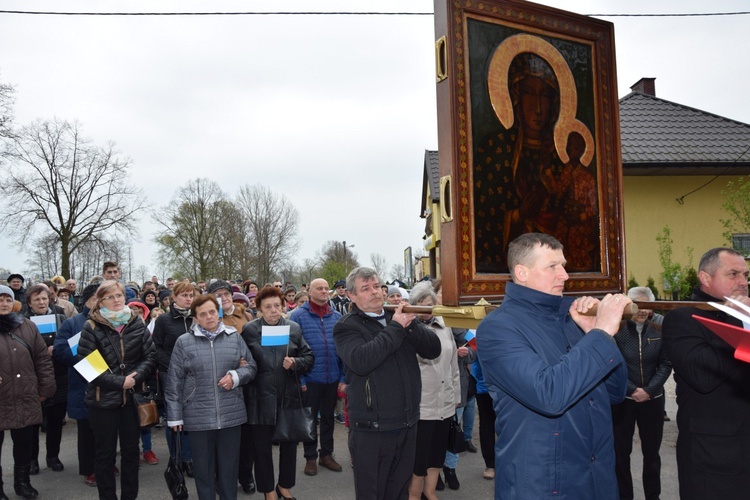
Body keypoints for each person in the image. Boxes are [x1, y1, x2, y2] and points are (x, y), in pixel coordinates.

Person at [476, 233, 628, 499]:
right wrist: (600, 334)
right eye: (552, 266)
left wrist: (596, 334)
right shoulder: (497, 328)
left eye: (564, 265)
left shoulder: (572, 318)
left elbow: (615, 391)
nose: (565, 275)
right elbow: (549, 395)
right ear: (522, 273)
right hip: (543, 483)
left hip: (596, 478)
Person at [333, 267, 441, 500]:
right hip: (371, 430)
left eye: (377, 286)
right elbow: (361, 360)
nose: (375, 292)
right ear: (351, 296)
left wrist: (410, 325)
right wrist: (396, 327)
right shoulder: (346, 326)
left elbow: (433, 349)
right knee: (372, 494)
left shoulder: (398, 316)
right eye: (365, 288)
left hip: (407, 424)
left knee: (399, 492)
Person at [662, 247, 750, 500]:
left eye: (745, 275)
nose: (743, 282)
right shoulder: (683, 319)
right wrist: (738, 321)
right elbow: (703, 377)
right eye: (733, 274)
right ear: (705, 278)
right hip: (716, 459)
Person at [166, 294, 257, 500]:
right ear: (195, 318)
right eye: (203, 314)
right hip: (198, 416)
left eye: (212, 312)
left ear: (219, 313)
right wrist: (175, 416)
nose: (209, 317)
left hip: (231, 415)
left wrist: (236, 376)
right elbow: (174, 381)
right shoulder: (184, 342)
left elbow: (251, 367)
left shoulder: (234, 337)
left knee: (229, 470)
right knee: (203, 472)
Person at [76, 280, 157, 500]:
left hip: (132, 400)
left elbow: (150, 356)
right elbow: (87, 365)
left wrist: (135, 377)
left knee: (131, 454)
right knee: (105, 456)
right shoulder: (91, 326)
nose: (115, 300)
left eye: (119, 296)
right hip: (102, 402)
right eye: (109, 297)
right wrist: (118, 382)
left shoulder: (136, 323)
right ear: (100, 301)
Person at [242, 286, 314, 500]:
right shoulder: (249, 330)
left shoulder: (293, 328)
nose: (273, 310)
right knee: (262, 449)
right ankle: (269, 491)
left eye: (277, 306)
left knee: (289, 445)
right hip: (259, 397)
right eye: (268, 307)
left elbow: (309, 357)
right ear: (259, 309)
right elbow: (241, 358)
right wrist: (241, 363)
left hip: (288, 395)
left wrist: (296, 362)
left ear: (283, 307)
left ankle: (284, 486)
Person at [612, 286, 672, 500]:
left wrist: (648, 391)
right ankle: (624, 496)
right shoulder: (616, 331)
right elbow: (613, 365)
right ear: (628, 306)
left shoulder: (658, 330)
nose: (641, 310)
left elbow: (666, 364)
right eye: (636, 305)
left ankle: (652, 496)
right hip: (623, 401)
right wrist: (631, 389)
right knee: (621, 454)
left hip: (653, 401)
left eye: (646, 306)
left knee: (652, 454)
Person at [0, 285, 56, 499]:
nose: (3, 303)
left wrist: (45, 389)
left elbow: (42, 359)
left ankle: (22, 483)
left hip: (25, 395)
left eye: (7, 299)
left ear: (14, 303)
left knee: (24, 444)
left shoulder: (27, 326)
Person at [406, 282, 459, 500]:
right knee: (420, 455)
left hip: (445, 402)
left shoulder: (445, 326)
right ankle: (414, 494)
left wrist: (456, 395)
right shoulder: (408, 331)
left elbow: (453, 363)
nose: (425, 310)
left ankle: (430, 492)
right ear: (412, 307)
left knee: (437, 452)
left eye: (429, 305)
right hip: (422, 403)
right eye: (420, 305)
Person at [289, 278, 344, 477]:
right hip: (310, 378)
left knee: (329, 418)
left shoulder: (336, 316)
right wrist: (300, 380)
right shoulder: (297, 317)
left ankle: (326, 454)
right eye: (318, 288)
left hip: (332, 377)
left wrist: (343, 377)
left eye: (325, 288)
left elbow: (343, 349)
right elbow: (292, 351)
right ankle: (310, 457)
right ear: (309, 292)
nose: (323, 291)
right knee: (310, 419)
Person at [53, 282, 102, 486]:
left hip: (110, 385)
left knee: (107, 430)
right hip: (83, 385)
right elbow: (60, 350)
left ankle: (105, 464)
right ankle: (89, 469)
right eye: (98, 299)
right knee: (87, 431)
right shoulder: (72, 324)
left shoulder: (112, 321)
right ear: (89, 300)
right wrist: (86, 360)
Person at [432, 279, 477, 491]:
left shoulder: (462, 319)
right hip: (431, 389)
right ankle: (434, 471)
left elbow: (476, 348)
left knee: (453, 430)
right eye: (443, 292)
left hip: (457, 386)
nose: (447, 296)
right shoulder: (425, 318)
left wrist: (467, 353)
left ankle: (450, 469)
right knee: (434, 434)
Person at [152, 282, 196, 476]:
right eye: (184, 295)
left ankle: (190, 458)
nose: (188, 299)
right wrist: (175, 366)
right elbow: (156, 348)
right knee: (174, 419)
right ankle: (177, 459)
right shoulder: (164, 320)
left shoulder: (198, 317)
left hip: (195, 376)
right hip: (170, 374)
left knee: (192, 420)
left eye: (191, 295)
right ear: (173, 298)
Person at [24, 284, 68, 475]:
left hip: (59, 374)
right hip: (33, 377)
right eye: (37, 300)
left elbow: (70, 341)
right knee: (33, 422)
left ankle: (53, 456)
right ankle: (32, 459)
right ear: (29, 303)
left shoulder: (61, 316)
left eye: (44, 298)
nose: (41, 302)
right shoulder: (22, 321)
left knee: (56, 420)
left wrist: (58, 348)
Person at [471, 360, 496, 480]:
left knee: (508, 427)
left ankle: (507, 462)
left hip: (507, 387)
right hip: (484, 387)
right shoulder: (476, 341)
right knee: (487, 425)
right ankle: (490, 465)